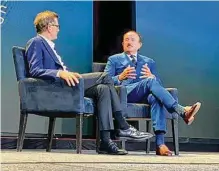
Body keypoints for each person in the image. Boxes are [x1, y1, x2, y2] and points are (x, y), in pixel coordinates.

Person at [25, 11, 153, 155]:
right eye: (57, 25)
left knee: (103, 89)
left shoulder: (48, 45)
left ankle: (105, 142)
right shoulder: (36, 42)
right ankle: (122, 125)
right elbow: (34, 70)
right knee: (105, 77)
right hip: (56, 88)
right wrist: (59, 73)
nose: (58, 29)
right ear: (49, 26)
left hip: (66, 85)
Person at [104, 30, 201, 156]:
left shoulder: (149, 62)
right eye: (126, 40)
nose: (129, 42)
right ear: (122, 44)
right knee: (150, 82)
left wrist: (153, 77)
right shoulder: (114, 59)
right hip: (124, 94)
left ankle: (160, 144)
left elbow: (159, 86)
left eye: (133, 39)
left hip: (144, 95)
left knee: (157, 98)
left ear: (140, 45)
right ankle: (181, 111)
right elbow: (104, 80)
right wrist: (120, 77)